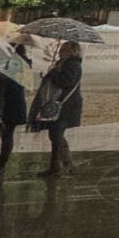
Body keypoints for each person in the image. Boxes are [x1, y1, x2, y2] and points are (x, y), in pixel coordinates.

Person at [30, 42, 84, 174]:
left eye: (63, 49)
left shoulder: (72, 65)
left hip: (66, 105)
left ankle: (58, 165)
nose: (60, 51)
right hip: (64, 104)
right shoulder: (67, 63)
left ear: (70, 51)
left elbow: (65, 81)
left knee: (56, 133)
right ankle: (65, 163)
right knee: (55, 134)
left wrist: (53, 73)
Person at [0, 46, 29, 176]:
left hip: (5, 104)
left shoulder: (8, 66)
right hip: (13, 104)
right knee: (5, 136)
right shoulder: (22, 65)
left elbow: (0, 86)